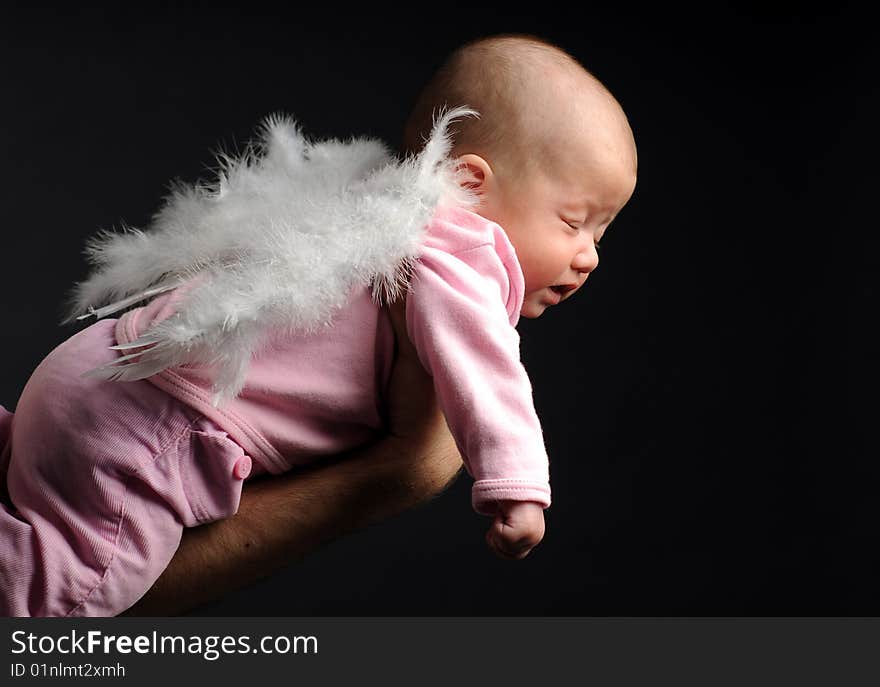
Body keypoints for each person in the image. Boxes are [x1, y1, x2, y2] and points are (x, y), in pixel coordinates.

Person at [0, 34, 637, 616]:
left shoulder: (374, 211)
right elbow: (490, 377)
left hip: (92, 374)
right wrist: (518, 486)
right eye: (573, 221)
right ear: (470, 182)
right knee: (61, 605)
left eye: (603, 231)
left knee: (25, 486)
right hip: (151, 434)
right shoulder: (462, 247)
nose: (590, 255)